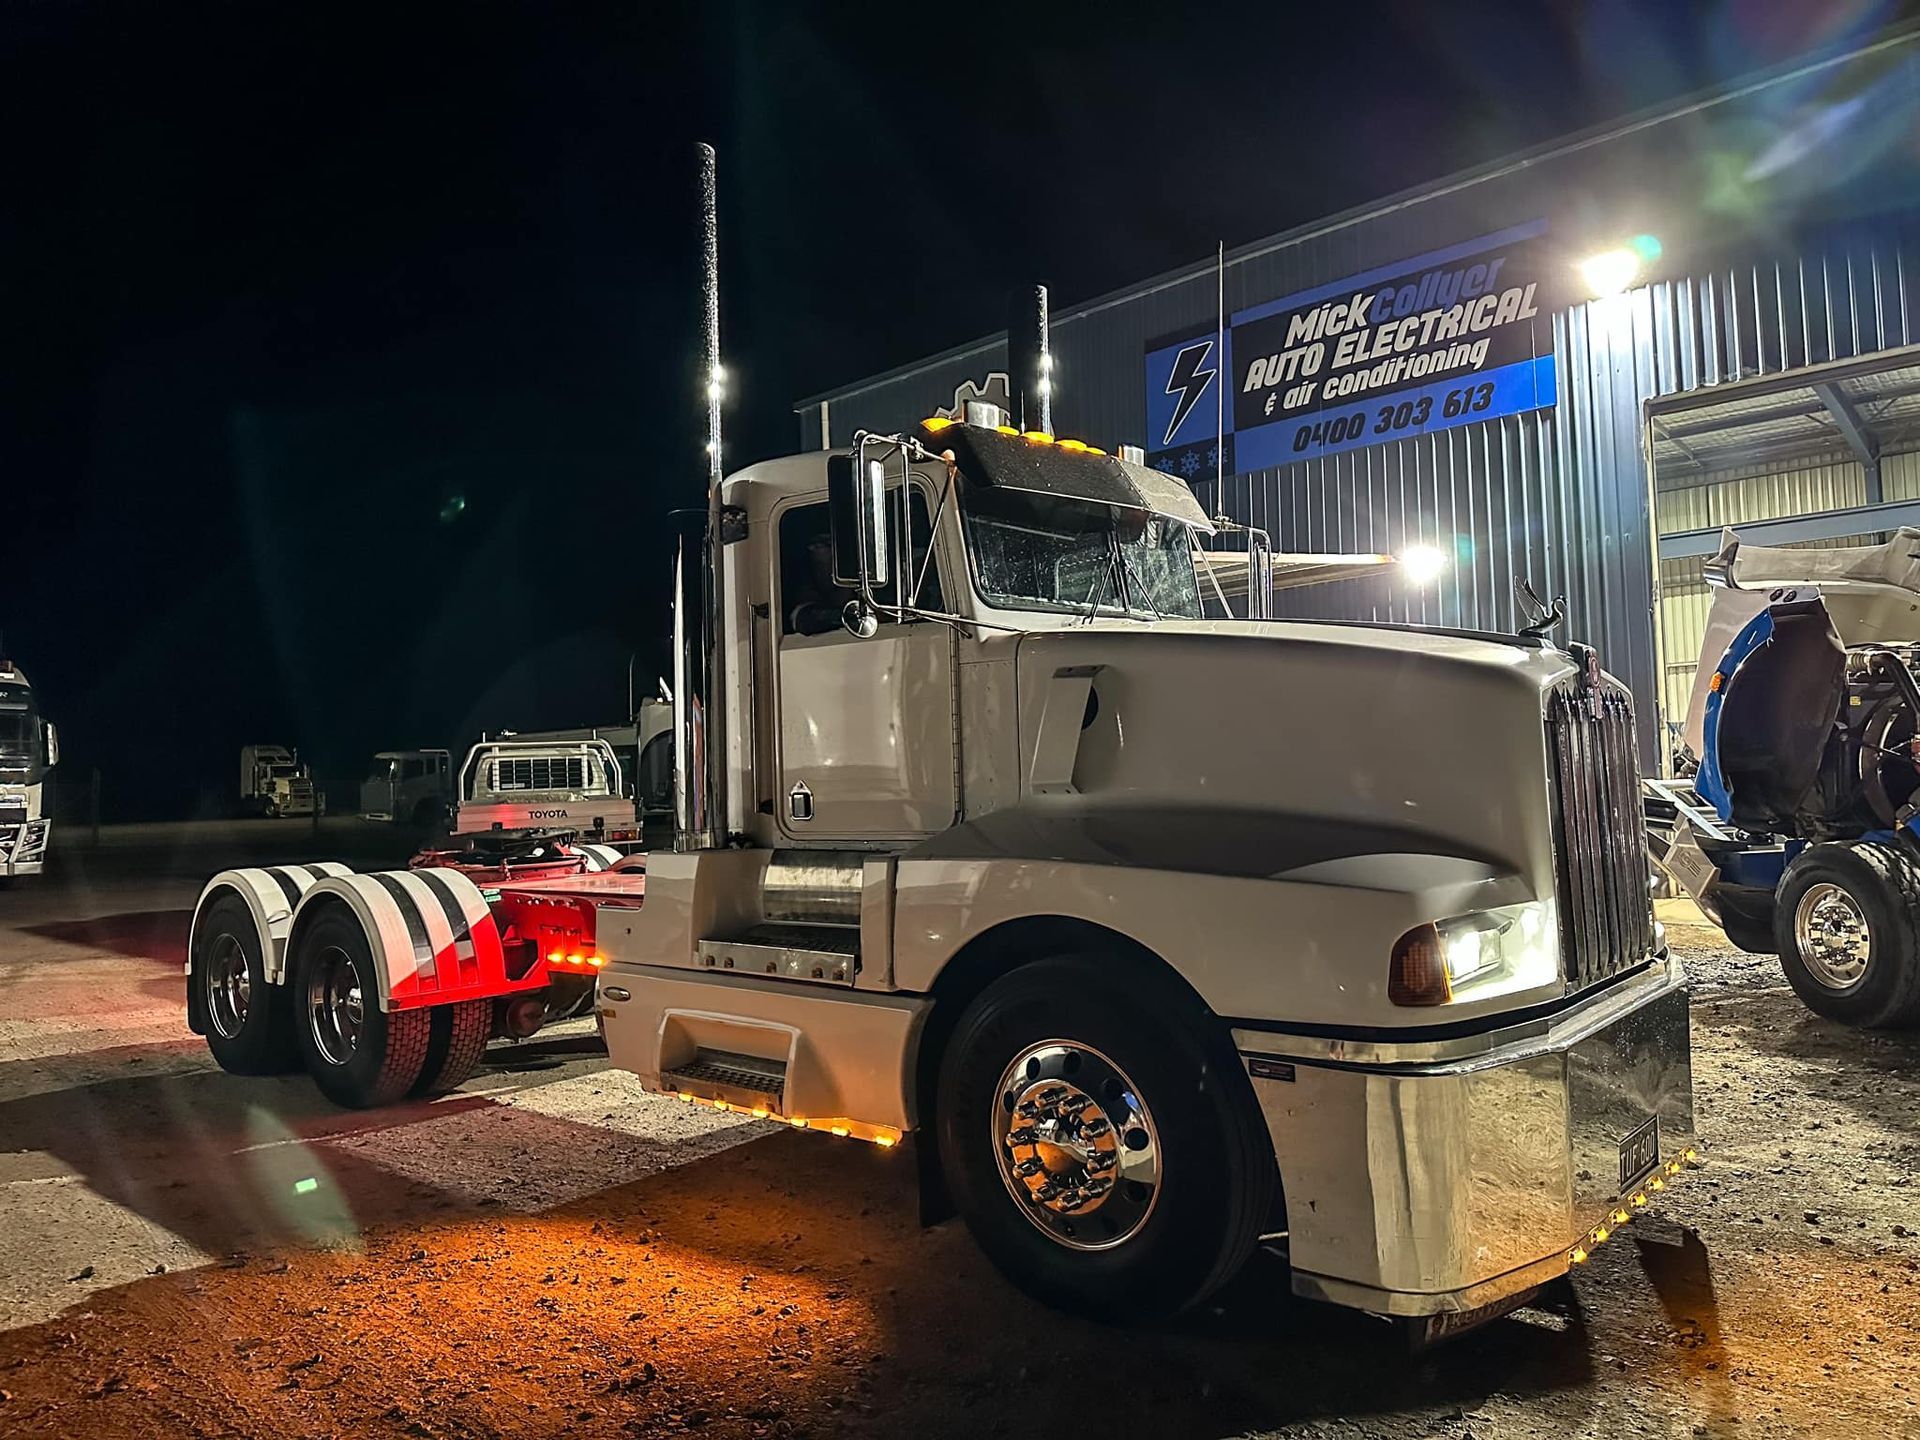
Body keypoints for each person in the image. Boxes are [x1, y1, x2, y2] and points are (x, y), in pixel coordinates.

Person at [787, 533, 856, 636]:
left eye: (825, 544)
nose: (814, 548)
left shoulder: (870, 594)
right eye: (817, 566)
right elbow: (804, 619)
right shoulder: (807, 605)